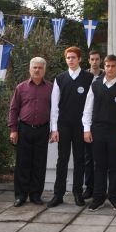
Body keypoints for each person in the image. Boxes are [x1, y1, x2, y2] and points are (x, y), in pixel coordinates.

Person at [83, 54, 116, 211]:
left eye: (113, 66)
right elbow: (87, 109)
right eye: (108, 66)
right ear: (105, 67)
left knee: (115, 166)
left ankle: (114, 197)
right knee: (99, 166)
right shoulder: (95, 85)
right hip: (97, 131)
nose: (110, 69)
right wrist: (86, 129)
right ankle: (98, 198)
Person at [47, 47, 93, 208]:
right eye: (68, 57)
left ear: (80, 59)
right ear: (65, 59)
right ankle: (58, 195)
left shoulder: (89, 78)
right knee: (62, 160)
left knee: (80, 160)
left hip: (81, 126)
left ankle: (78, 193)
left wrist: (88, 127)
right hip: (64, 126)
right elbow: (54, 106)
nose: (71, 60)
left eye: (74, 57)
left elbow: (91, 105)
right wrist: (54, 128)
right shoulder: (60, 79)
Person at [8, 57, 52, 207]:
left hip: (43, 130)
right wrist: (13, 130)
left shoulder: (51, 88)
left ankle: (35, 196)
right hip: (24, 129)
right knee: (22, 164)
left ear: (44, 70)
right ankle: (20, 196)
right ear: (30, 69)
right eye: (35, 67)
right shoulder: (21, 88)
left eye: (40, 67)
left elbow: (55, 111)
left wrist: (53, 130)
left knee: (39, 164)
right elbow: (13, 109)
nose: (37, 70)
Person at [83, 49, 105, 199]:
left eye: (97, 59)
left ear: (101, 60)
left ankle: (101, 188)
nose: (95, 62)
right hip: (87, 121)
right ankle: (89, 187)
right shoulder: (84, 76)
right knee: (88, 157)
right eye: (92, 59)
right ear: (89, 60)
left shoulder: (106, 75)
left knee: (101, 159)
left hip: (102, 121)